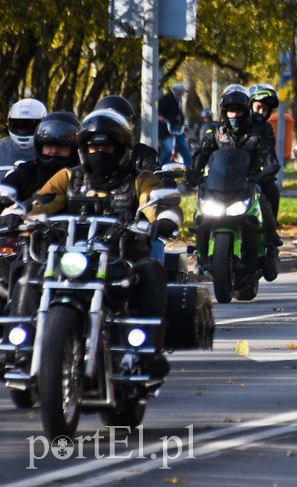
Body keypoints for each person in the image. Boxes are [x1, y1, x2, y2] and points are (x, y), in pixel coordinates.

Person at [1, 110, 182, 376]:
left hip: (121, 259)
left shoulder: (138, 180)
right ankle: (21, 350)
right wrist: (18, 215)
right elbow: (43, 200)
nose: (99, 152)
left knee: (151, 270)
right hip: (71, 255)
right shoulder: (69, 178)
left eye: (106, 146)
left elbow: (160, 202)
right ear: (83, 149)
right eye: (93, 146)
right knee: (29, 274)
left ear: (121, 149)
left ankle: (145, 352)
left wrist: (164, 219)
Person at [186, 85, 281, 280]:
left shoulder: (258, 132)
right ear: (224, 112)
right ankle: (199, 254)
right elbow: (201, 155)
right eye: (230, 110)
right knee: (200, 210)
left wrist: (265, 172)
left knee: (266, 197)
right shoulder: (215, 133)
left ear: (245, 112)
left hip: (248, 184)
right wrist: (192, 173)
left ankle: (270, 246)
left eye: (238, 110)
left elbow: (269, 159)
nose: (234, 115)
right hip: (218, 185)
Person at [1, 111, 80, 203]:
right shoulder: (27, 171)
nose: (54, 151)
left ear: (74, 148)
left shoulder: (83, 175)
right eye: (49, 145)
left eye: (61, 146)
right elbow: (4, 190)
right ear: (39, 146)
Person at [94, 95, 159, 171]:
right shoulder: (85, 157)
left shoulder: (141, 154)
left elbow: (153, 174)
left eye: (118, 125)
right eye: (94, 149)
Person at [247, 83, 282, 218]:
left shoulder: (266, 129)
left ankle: (272, 232)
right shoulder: (234, 125)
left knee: (272, 188)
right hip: (229, 176)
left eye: (265, 109)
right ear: (249, 106)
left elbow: (268, 154)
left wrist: (265, 172)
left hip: (254, 177)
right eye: (258, 107)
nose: (261, 112)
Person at [0, 98, 47, 169]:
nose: (23, 130)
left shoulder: (49, 151)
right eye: (18, 125)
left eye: (29, 126)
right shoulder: (2, 147)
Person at [158, 83, 192, 165]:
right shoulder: (165, 99)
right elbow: (158, 112)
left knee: (185, 151)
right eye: (181, 93)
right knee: (169, 150)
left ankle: (189, 171)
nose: (182, 95)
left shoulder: (177, 101)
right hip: (167, 130)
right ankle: (160, 168)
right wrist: (161, 118)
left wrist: (184, 129)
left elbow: (179, 116)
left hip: (177, 130)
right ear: (177, 92)